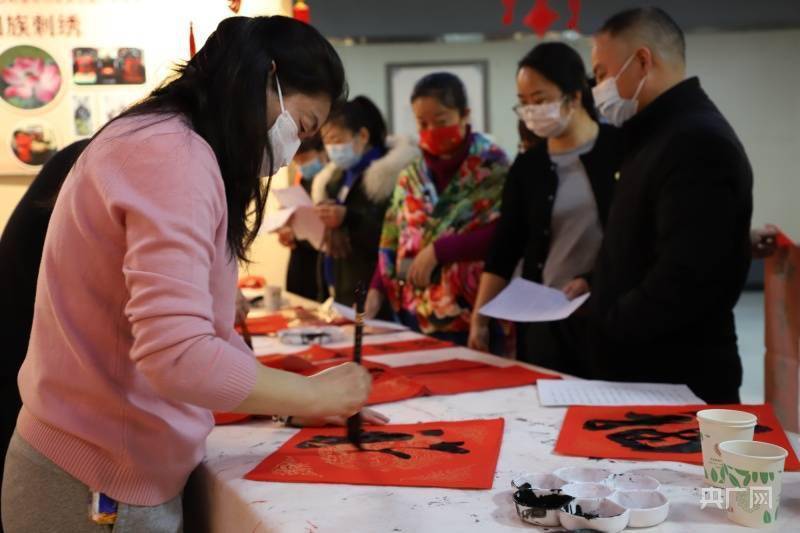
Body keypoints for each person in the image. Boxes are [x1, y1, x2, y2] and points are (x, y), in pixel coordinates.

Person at [1, 17, 376, 533]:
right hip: (96, 483)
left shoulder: (162, 141)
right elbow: (179, 356)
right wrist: (316, 395)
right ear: (265, 78)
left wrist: (289, 405)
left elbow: (192, 337)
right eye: (302, 126)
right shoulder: (171, 155)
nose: (292, 148)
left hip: (107, 465)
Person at [586, 8, 753, 403]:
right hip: (642, 370)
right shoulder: (654, 134)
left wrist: (610, 322)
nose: (598, 88)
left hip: (676, 380)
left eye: (601, 74)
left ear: (642, 60)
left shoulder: (696, 142)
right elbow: (639, 242)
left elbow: (687, 276)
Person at [469, 42, 623, 373]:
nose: (531, 112)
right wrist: (480, 316)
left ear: (575, 97)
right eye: (524, 103)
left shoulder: (620, 149)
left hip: (607, 315)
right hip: (544, 319)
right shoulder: (528, 166)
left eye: (540, 100)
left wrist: (594, 280)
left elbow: (637, 236)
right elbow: (505, 246)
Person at [367, 73, 510, 345]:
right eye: (423, 123)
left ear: (464, 114)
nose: (431, 130)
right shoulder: (411, 175)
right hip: (414, 313)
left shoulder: (492, 166)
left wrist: (439, 250)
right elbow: (392, 236)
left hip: (474, 314)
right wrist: (377, 288)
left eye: (441, 121)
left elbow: (504, 234)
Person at [314, 95, 418, 308]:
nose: (331, 148)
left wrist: (348, 218)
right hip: (343, 286)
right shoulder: (335, 178)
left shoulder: (392, 177)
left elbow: (396, 236)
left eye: (336, 139)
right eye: (326, 141)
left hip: (377, 292)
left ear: (362, 135)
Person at [276, 136, 327, 301]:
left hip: (320, 257)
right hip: (300, 254)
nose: (301, 166)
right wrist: (287, 226)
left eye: (304, 159)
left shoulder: (331, 182)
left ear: (322, 153)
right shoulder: (302, 182)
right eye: (296, 162)